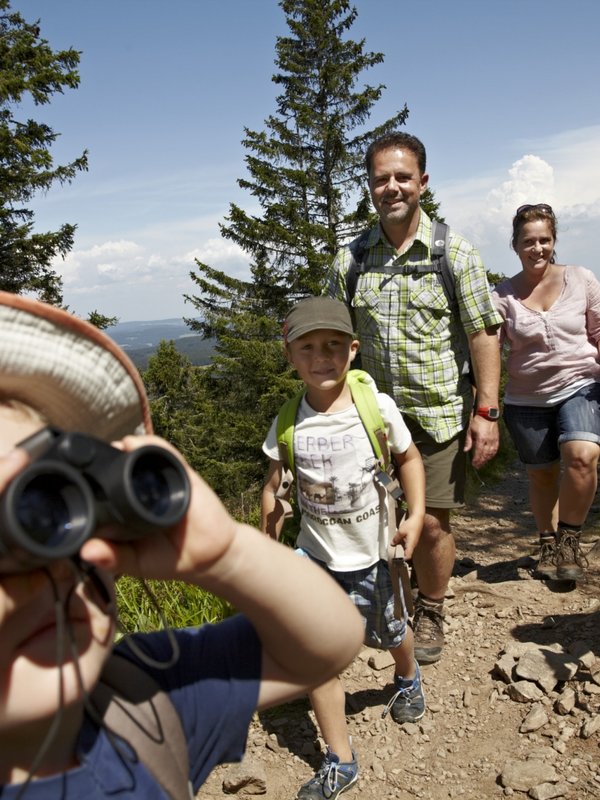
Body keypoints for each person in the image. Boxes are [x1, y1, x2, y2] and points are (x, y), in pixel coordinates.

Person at [0, 290, 364, 798]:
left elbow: (332, 643)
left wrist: (224, 553)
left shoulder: (142, 697)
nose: (46, 562)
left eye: (54, 502)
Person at [326, 132, 502, 664]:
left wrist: (487, 411)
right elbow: (335, 341)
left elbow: (483, 332)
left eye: (403, 177)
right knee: (374, 518)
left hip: (438, 415)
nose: (392, 187)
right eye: (381, 179)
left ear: (423, 182)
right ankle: (385, 602)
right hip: (373, 422)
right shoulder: (351, 260)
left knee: (429, 525)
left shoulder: (455, 253)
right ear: (370, 188)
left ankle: (431, 606)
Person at [261, 296, 426, 800]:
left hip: (375, 553)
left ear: (352, 350)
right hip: (315, 557)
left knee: (391, 630)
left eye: (333, 345)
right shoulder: (288, 421)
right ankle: (341, 759)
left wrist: (416, 516)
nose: (321, 357)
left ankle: (407, 674)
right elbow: (273, 487)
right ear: (290, 357)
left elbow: (408, 457)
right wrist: (270, 547)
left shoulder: (375, 409)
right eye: (307, 347)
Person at [493, 203, 600, 582]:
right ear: (516, 245)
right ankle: (548, 542)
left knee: (582, 456)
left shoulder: (581, 278)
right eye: (528, 241)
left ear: (553, 242)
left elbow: (598, 331)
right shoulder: (502, 296)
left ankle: (570, 539)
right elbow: (489, 351)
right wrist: (485, 406)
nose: (537, 248)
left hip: (581, 384)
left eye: (544, 240)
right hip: (526, 399)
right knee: (542, 476)